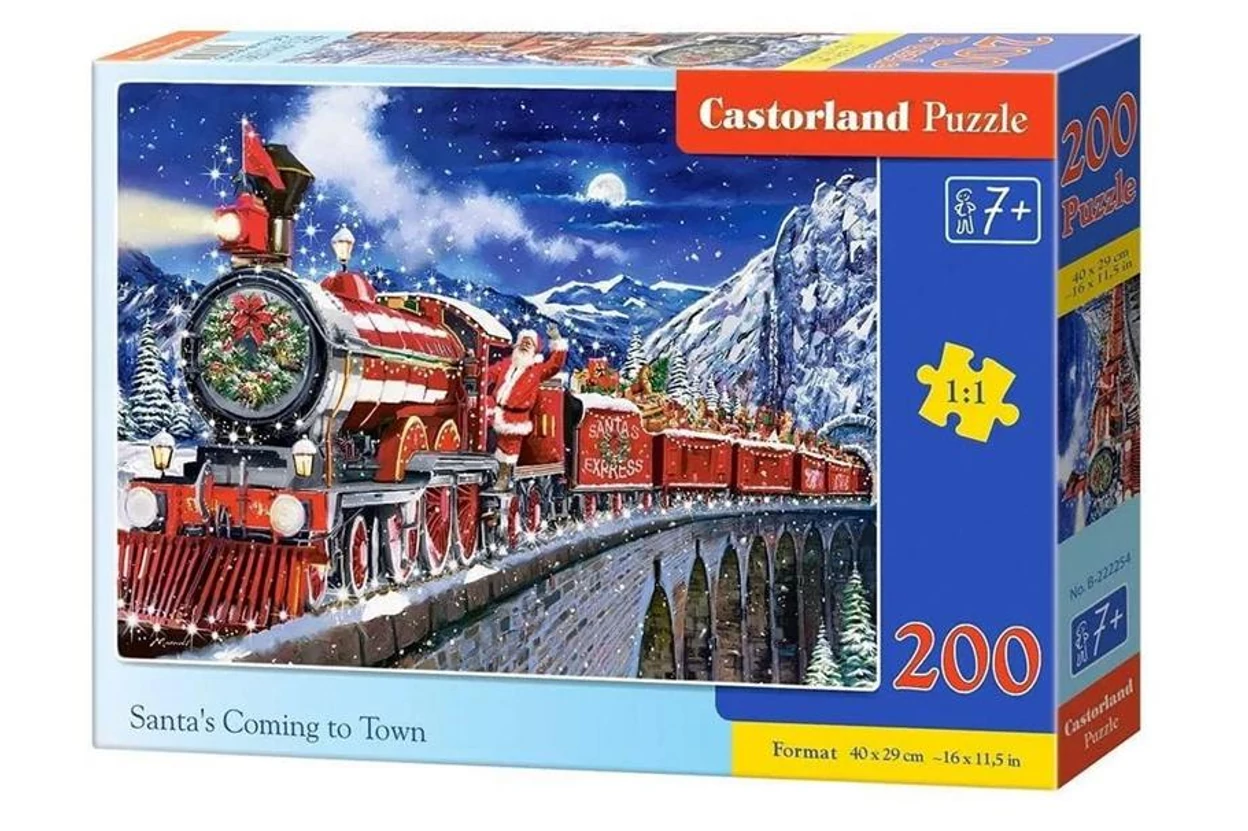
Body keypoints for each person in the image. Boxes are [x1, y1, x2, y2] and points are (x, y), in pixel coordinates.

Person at [485, 323, 567, 492]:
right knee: (489, 444)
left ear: (534, 349)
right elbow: (487, 374)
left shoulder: (537, 370)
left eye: (529, 343)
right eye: (523, 342)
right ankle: (490, 472)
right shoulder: (506, 364)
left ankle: (504, 476)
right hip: (496, 411)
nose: (524, 346)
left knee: (508, 450)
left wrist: (557, 341)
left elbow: (555, 364)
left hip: (516, 417)